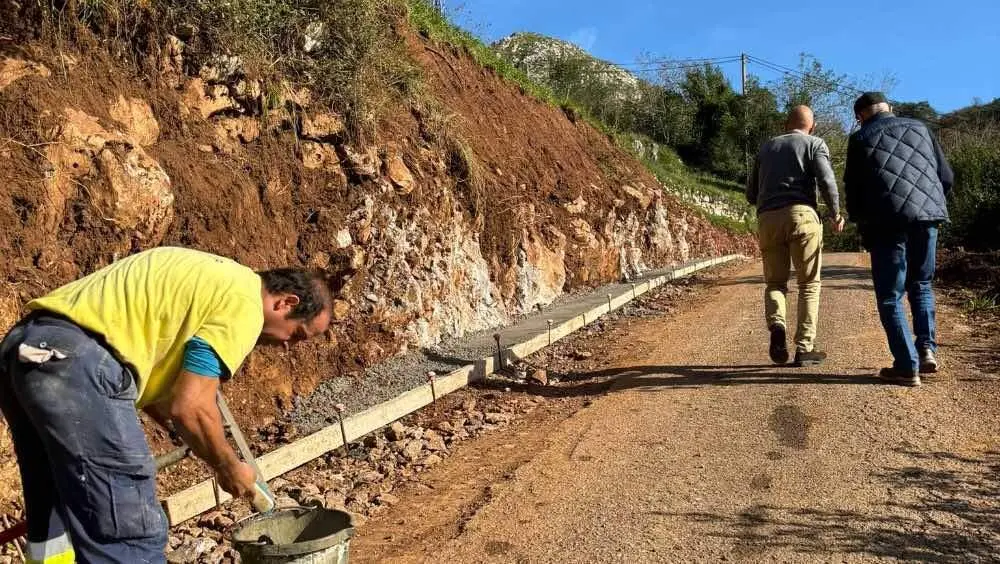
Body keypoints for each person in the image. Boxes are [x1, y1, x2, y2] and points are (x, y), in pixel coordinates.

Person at [0, 247, 333, 563]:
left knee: (55, 517)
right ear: (286, 303)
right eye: (297, 334)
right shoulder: (245, 304)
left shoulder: (212, 277)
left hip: (26, 351)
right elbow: (192, 406)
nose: (288, 346)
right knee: (130, 530)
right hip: (77, 364)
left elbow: (166, 392)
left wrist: (184, 434)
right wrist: (228, 467)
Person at [845, 92, 953, 387]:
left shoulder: (860, 139)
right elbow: (946, 177)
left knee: (890, 295)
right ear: (889, 108)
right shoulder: (921, 128)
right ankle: (927, 350)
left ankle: (907, 366)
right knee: (922, 284)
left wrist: (861, 222)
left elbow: (854, 194)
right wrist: (929, 205)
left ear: (859, 116)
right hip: (927, 217)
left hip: (886, 222)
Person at [747, 105, 845, 367]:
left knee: (775, 284)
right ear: (811, 126)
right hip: (802, 215)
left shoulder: (767, 147)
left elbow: (750, 193)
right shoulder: (814, 143)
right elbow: (827, 182)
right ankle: (804, 348)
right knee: (809, 284)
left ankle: (777, 326)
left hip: (768, 218)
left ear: (785, 124)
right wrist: (835, 213)